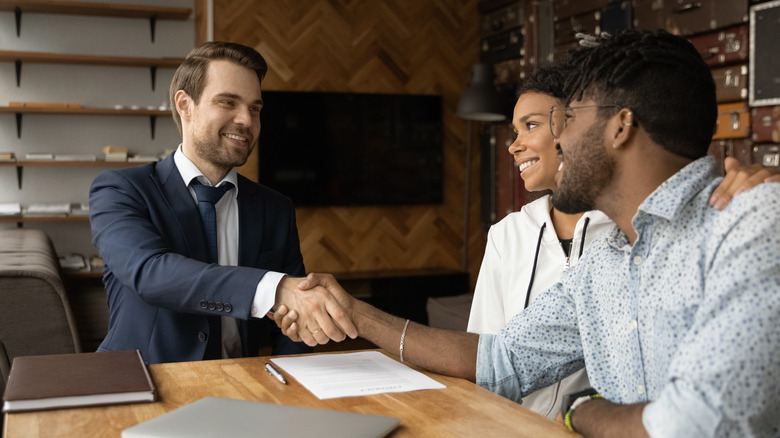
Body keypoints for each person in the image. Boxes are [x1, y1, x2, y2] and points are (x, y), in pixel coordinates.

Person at [274, 30, 780, 437]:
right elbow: (501, 358)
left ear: (620, 127)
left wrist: (583, 411)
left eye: (568, 117)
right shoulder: (605, 263)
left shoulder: (751, 221)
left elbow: (699, 424)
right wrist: (354, 312)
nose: (557, 138)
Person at [468, 61, 779, 418]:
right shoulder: (514, 236)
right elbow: (494, 356)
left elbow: (704, 414)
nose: (514, 146)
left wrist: (579, 413)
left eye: (536, 125)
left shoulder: (637, 228)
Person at [89, 41, 356, 365]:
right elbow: (151, 273)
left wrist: (290, 386)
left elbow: (291, 325)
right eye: (228, 102)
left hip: (242, 388)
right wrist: (272, 288)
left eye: (255, 109)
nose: (246, 120)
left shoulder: (275, 208)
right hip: (142, 385)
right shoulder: (121, 190)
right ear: (185, 105)